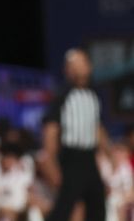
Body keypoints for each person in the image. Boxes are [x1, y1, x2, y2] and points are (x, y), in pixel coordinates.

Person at [42, 49, 107, 221]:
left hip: (89, 157)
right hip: (70, 158)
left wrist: (109, 152)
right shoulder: (62, 95)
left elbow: (97, 127)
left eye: (81, 63)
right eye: (73, 65)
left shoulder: (93, 94)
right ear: (67, 70)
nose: (78, 68)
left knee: (97, 203)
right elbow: (51, 129)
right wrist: (50, 161)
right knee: (64, 206)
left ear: (89, 66)